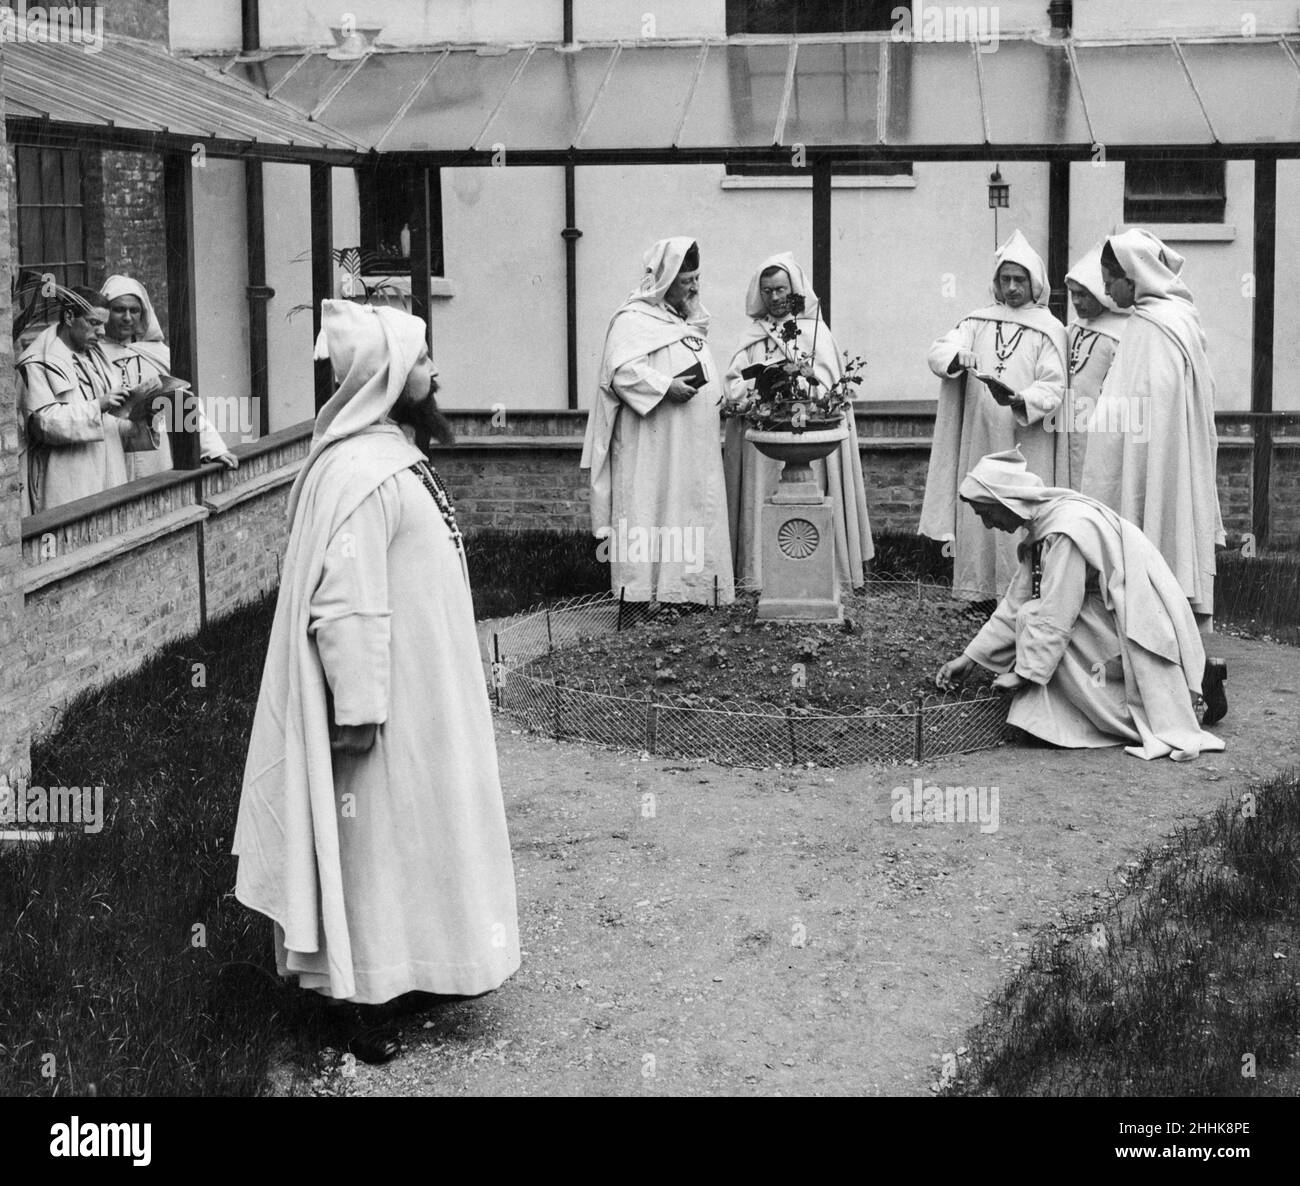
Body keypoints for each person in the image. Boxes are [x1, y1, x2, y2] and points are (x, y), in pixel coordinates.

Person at [233, 300, 520, 1063]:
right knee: (368, 846)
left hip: (419, 698)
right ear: (393, 378)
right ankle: (355, 1000)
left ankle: (413, 967)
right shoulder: (363, 471)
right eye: (425, 362)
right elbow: (346, 603)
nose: (437, 375)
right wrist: (357, 707)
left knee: (408, 839)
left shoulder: (387, 456)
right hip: (381, 709)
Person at [935, 448, 1227, 761]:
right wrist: (970, 658)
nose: (988, 523)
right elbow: (1016, 599)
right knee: (1030, 614)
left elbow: (1056, 613)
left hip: (1137, 629)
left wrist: (1024, 674)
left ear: (1007, 501)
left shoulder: (1065, 531)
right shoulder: (1049, 522)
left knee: (1038, 619)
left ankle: (1160, 699)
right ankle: (1192, 680)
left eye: (986, 512)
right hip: (1124, 618)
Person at [1079, 229, 1224, 623]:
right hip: (1143, 445)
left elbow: (1158, 396)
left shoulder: (1159, 325)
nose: (1106, 289)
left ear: (1134, 277)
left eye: (1111, 280)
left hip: (1159, 452)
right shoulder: (1161, 319)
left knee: (1159, 518)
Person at [581, 237, 734, 605]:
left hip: (691, 445)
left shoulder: (682, 321)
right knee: (651, 505)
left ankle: (691, 592)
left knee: (690, 509)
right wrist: (666, 387)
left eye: (698, 278)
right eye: (687, 281)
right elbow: (621, 374)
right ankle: (641, 596)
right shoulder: (633, 320)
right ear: (666, 281)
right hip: (653, 442)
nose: (696, 288)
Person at [919, 230, 1069, 604]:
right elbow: (941, 350)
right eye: (1006, 279)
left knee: (1019, 514)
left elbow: (1054, 385)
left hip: (1025, 441)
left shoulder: (1050, 330)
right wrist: (959, 356)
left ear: (1034, 283)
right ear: (997, 283)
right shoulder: (977, 321)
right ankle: (976, 593)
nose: (1013, 287)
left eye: (1020, 280)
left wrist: (1023, 398)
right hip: (980, 438)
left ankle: (1020, 598)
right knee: (981, 514)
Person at [723, 252, 874, 586]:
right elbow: (733, 384)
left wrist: (800, 385)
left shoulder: (815, 333)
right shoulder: (753, 336)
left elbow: (829, 387)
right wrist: (756, 388)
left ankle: (822, 576)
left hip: (808, 441)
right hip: (764, 440)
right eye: (767, 291)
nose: (774, 297)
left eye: (780, 289)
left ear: (793, 290)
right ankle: (759, 577)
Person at [16, 286, 146, 511]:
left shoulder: (96, 358)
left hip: (109, 474)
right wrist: (98, 406)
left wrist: (141, 417)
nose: (102, 332)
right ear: (69, 317)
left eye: (103, 324)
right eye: (94, 323)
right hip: (67, 478)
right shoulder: (37, 363)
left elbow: (110, 423)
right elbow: (42, 424)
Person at [98, 275, 238, 479]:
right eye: (119, 309)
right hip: (111, 450)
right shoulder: (92, 355)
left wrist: (214, 450)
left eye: (134, 310)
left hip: (155, 454)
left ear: (143, 314)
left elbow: (185, 405)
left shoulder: (157, 355)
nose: (127, 317)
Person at [1061, 246, 1129, 489]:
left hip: (1104, 432)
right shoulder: (1073, 330)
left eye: (1084, 294)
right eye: (1073, 294)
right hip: (1067, 429)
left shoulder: (1121, 334)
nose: (1077, 301)